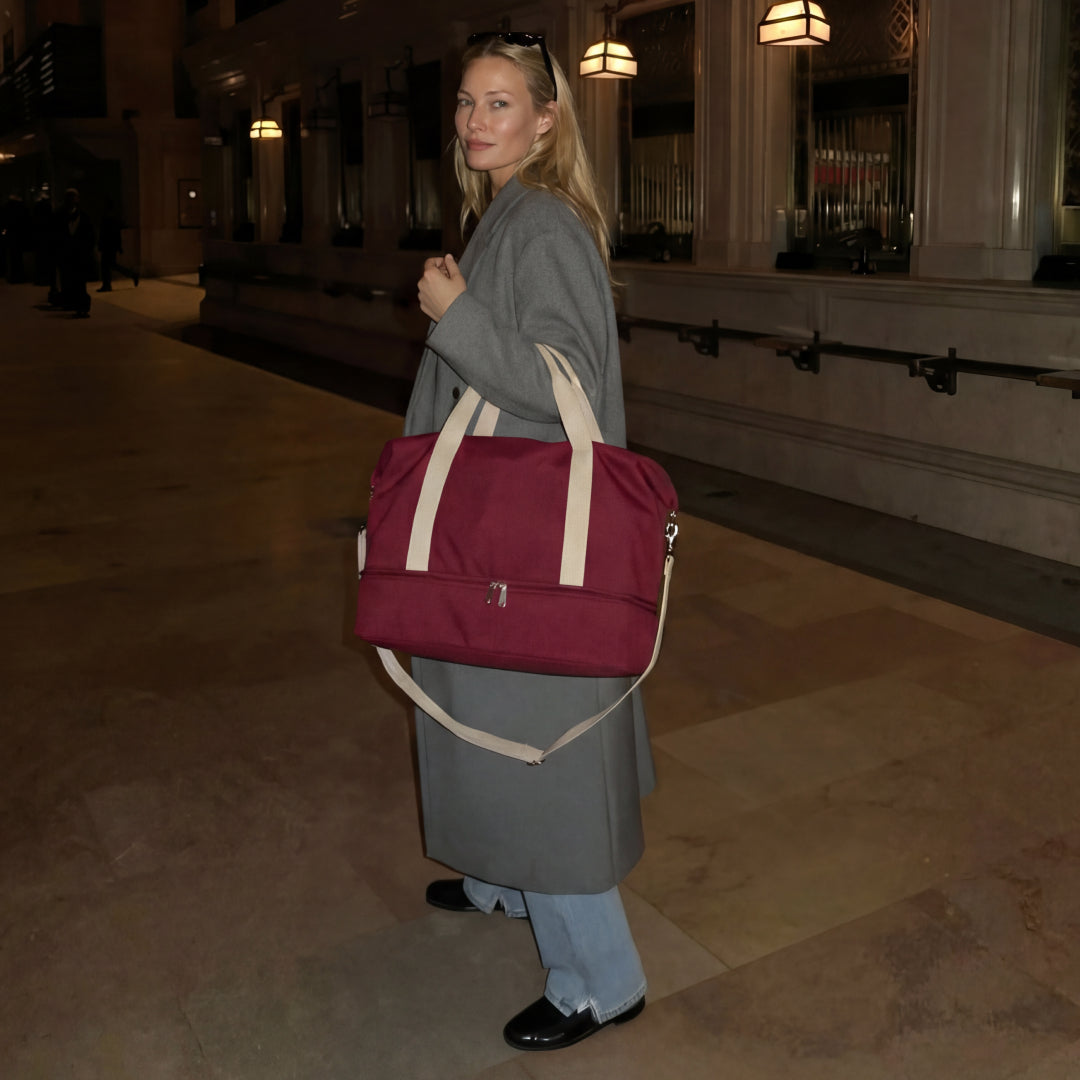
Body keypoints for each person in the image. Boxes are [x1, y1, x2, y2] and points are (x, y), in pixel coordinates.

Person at [408, 33, 654, 1052]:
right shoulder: (509, 210)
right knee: (488, 714)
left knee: (538, 747)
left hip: (526, 544)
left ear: (547, 120)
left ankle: (601, 979)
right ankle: (504, 879)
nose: (475, 121)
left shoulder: (542, 222)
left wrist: (455, 316)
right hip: (498, 531)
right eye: (468, 102)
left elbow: (565, 383)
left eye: (500, 103)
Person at [54, 188, 95, 316]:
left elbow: (90, 236)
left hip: (79, 254)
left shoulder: (82, 216)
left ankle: (81, 306)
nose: (71, 200)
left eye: (73, 197)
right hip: (67, 254)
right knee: (68, 280)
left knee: (79, 282)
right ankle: (72, 303)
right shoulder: (60, 216)